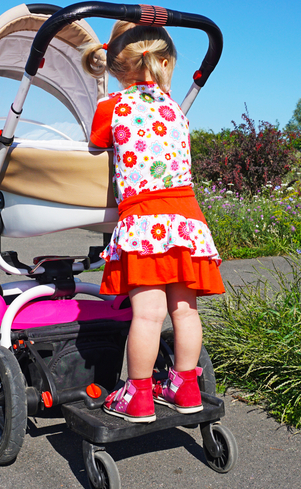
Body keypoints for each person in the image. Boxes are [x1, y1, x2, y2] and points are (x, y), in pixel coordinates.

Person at [82, 21, 225, 423]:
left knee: (147, 314)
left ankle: (139, 394)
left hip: (146, 220)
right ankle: (186, 385)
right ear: (164, 63)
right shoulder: (175, 109)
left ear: (116, 68)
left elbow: (95, 148)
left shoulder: (111, 107)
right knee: (185, 312)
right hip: (187, 220)